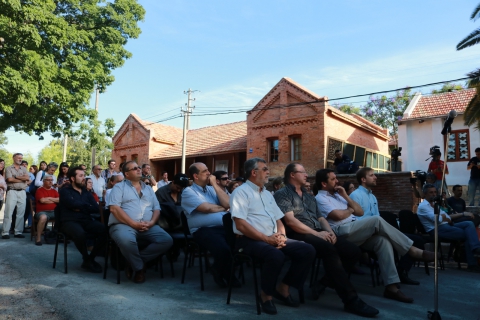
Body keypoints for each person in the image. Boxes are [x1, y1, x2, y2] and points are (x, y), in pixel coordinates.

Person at [274, 163, 379, 317]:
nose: (306, 175)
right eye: (302, 172)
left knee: (353, 251)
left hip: (317, 232)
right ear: (292, 175)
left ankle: (324, 282)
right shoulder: (282, 194)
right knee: (329, 250)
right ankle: (351, 299)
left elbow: (321, 218)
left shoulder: (309, 196)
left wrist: (330, 232)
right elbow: (290, 221)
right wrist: (317, 234)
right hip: (298, 233)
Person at [314, 168, 434, 303]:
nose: (337, 181)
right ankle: (411, 250)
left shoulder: (339, 195)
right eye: (333, 179)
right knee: (376, 220)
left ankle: (391, 288)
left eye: (336, 178)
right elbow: (337, 215)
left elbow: (359, 212)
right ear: (324, 184)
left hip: (355, 231)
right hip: (341, 232)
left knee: (383, 241)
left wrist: (346, 197)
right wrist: (349, 210)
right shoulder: (320, 198)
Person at [230, 158, 315, 315]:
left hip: (272, 237)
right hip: (249, 240)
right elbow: (241, 225)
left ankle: (283, 288)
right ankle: (266, 296)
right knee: (275, 255)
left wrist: (281, 235)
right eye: (265, 169)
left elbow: (278, 219)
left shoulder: (268, 194)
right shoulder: (240, 193)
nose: (268, 172)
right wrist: (266, 239)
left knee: (307, 250)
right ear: (254, 172)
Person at [350, 167, 424, 285]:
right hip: (365, 233)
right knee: (389, 240)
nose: (376, 177)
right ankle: (408, 254)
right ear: (363, 179)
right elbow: (356, 220)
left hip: (378, 229)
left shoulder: (373, 197)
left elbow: (377, 216)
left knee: (417, 240)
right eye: (372, 175)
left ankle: (401, 272)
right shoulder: (355, 195)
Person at [109, 161, 173, 283]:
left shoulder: (148, 189)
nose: (139, 169)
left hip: (147, 225)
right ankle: (139, 269)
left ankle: (133, 261)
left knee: (166, 240)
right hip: (123, 225)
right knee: (127, 240)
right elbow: (114, 209)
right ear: (127, 174)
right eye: (135, 168)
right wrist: (133, 224)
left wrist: (152, 222)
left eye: (139, 167)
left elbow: (156, 208)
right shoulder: (119, 187)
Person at [181, 162, 239, 288]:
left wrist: (214, 185)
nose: (209, 174)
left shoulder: (213, 189)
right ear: (196, 176)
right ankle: (225, 274)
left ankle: (218, 269)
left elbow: (229, 204)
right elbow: (206, 208)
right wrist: (223, 208)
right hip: (203, 230)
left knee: (240, 245)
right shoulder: (188, 192)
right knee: (223, 248)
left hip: (223, 227)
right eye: (205, 171)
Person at [417, 184, 480, 272]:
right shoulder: (423, 206)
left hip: (446, 225)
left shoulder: (434, 205)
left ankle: (476, 249)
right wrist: (444, 217)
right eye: (431, 192)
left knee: (469, 224)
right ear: (425, 194)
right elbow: (438, 219)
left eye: (435, 192)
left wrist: (444, 217)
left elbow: (447, 216)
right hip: (436, 229)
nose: (434, 194)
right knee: (467, 234)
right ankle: (473, 263)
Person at [58, 166, 106, 273]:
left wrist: (80, 207)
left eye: (84, 175)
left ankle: (90, 259)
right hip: (69, 221)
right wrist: (85, 206)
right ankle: (86, 258)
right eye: (80, 176)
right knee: (80, 233)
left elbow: (95, 208)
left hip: (85, 220)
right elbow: (71, 204)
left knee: (105, 230)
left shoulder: (86, 193)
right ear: (72, 178)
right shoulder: (65, 191)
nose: (83, 178)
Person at [2, 153, 30, 239]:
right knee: (8, 212)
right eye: (19, 158)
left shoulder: (24, 169)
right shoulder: (9, 168)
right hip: (12, 192)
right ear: (14, 158)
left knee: (21, 213)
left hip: (22, 192)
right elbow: (9, 179)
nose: (20, 159)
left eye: (21, 158)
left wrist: (16, 177)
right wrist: (22, 179)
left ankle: (18, 232)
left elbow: (27, 178)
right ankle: (5, 232)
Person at [34, 176, 59, 246]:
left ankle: (58, 236)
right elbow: (42, 200)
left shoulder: (54, 191)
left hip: (54, 211)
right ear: (44, 181)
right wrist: (54, 200)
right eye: (48, 180)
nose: (50, 182)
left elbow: (60, 200)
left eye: (51, 180)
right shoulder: (39, 190)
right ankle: (38, 238)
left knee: (64, 216)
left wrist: (49, 198)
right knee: (43, 218)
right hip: (42, 211)